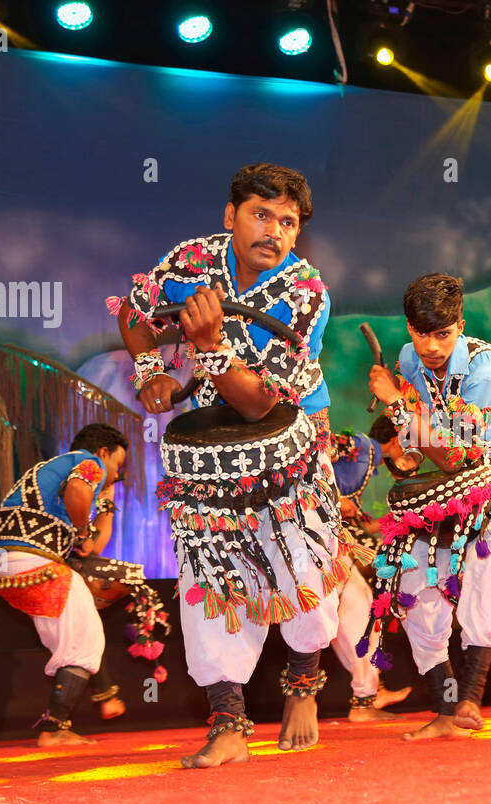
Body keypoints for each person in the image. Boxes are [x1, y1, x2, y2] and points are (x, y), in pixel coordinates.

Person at [112, 163, 347, 767]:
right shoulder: (191, 260)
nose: (273, 230)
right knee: (206, 577)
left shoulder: (307, 293)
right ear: (230, 216)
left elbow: (259, 401)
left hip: (290, 432)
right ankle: (228, 724)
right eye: (260, 214)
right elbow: (134, 315)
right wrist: (150, 373)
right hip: (208, 450)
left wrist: (211, 348)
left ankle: (302, 689)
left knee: (303, 569)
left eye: (287, 222)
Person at [366, 273, 491, 740]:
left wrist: (397, 405)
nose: (431, 345)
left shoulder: (485, 371)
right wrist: (407, 452)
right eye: (421, 333)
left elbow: (459, 453)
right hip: (447, 486)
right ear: (408, 327)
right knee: (411, 579)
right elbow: (427, 441)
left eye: (442, 333)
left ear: (460, 325)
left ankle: (470, 700)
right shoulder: (407, 358)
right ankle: (444, 709)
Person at [0, 423, 127, 745]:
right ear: (104, 452)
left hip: (5, 563)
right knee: (84, 642)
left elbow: (95, 546)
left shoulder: (55, 470)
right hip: (32, 559)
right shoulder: (91, 463)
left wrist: (106, 500)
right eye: (119, 464)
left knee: (77, 634)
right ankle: (54, 730)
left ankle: (98, 699)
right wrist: (83, 532)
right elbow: (80, 497)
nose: (117, 474)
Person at [328, 431, 411, 721]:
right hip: (322, 542)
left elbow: (364, 522)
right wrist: (333, 499)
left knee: (355, 611)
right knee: (357, 612)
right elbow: (312, 450)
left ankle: (368, 695)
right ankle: (366, 697)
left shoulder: (365, 452)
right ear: (396, 436)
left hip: (330, 541)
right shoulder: (361, 444)